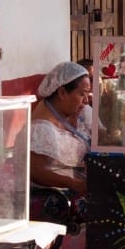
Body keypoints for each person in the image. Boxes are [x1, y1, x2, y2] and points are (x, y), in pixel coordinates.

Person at [31, 61, 92, 194]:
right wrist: (74, 184)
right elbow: (35, 171)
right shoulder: (41, 128)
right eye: (82, 94)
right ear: (62, 92)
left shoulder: (67, 115)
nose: (86, 100)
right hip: (56, 198)